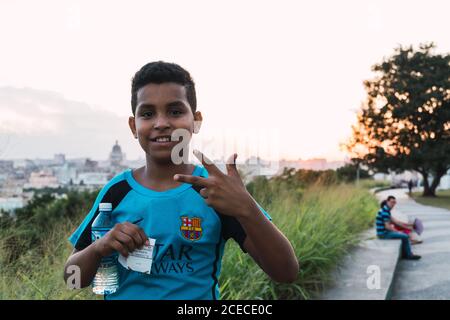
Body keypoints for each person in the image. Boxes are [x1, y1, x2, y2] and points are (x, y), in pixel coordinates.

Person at [63, 61, 299, 299]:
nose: (162, 123)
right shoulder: (117, 192)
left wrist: (246, 207)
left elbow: (286, 272)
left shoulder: (213, 190)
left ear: (196, 121)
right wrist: (99, 247)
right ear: (134, 126)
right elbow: (72, 279)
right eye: (147, 114)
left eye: (175, 112)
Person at [376, 196, 421, 260]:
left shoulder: (386, 210)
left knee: (403, 235)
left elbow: (396, 222)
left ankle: (406, 254)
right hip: (383, 234)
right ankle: (409, 255)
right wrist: (397, 231)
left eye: (394, 203)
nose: (393, 204)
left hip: (384, 232)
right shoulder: (385, 211)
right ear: (387, 201)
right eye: (392, 202)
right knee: (405, 236)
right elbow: (387, 226)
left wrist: (410, 225)